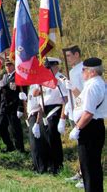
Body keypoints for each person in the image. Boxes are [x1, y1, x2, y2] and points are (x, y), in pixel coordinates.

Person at [69, 57, 106, 192]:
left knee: (88, 167)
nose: (82, 72)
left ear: (92, 72)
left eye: (83, 70)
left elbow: (89, 112)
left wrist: (78, 128)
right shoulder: (97, 84)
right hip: (93, 126)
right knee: (92, 166)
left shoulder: (93, 86)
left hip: (89, 127)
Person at [31, 57, 68, 174]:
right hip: (45, 111)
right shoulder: (44, 79)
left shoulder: (61, 79)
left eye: (49, 68)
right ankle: (49, 165)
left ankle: (57, 166)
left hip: (56, 110)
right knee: (45, 139)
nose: (47, 70)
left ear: (55, 66)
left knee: (53, 139)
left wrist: (63, 118)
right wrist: (37, 122)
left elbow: (66, 100)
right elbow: (42, 103)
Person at [60, 45, 85, 187]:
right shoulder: (72, 71)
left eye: (69, 56)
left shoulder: (83, 70)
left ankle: (84, 175)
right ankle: (80, 172)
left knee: (84, 146)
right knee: (79, 146)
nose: (67, 59)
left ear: (77, 55)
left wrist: (72, 88)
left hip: (82, 112)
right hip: (73, 111)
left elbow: (84, 94)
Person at [0, 60, 25, 153]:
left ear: (14, 65)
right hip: (4, 106)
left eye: (10, 65)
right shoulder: (4, 76)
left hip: (14, 106)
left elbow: (22, 92)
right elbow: (1, 91)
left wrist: (21, 107)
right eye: (6, 65)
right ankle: (9, 146)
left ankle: (20, 149)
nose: (8, 67)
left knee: (15, 129)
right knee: (1, 126)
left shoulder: (18, 76)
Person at [21, 85, 49, 173]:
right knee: (33, 143)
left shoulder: (38, 85)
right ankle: (36, 165)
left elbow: (40, 106)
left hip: (36, 115)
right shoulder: (32, 85)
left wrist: (37, 122)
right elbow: (30, 104)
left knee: (36, 143)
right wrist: (24, 100)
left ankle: (41, 167)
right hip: (31, 115)